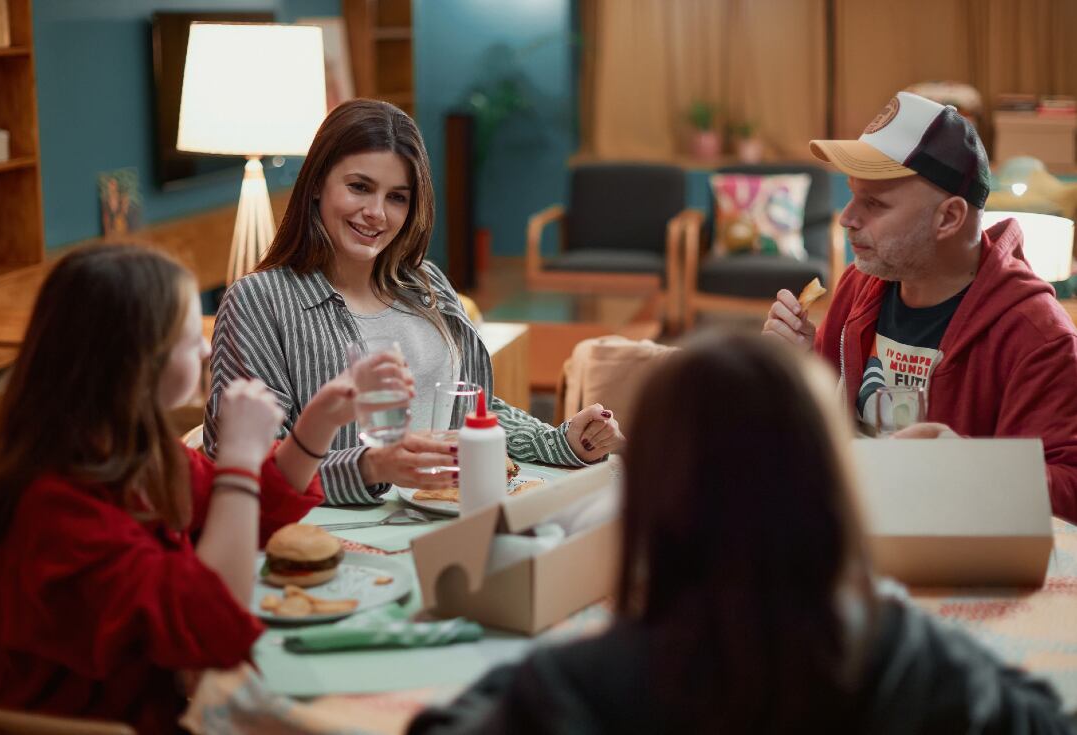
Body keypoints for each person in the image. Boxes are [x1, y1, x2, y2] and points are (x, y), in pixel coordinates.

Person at [407, 332, 1075, 734]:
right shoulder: (909, 658)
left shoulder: (583, 682)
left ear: (649, 500)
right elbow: (1046, 716)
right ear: (831, 488)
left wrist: (565, 657)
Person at [0, 245, 403, 733]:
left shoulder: (135, 453)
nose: (205, 349)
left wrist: (316, 424)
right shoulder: (55, 507)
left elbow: (246, 516)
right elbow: (211, 626)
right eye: (187, 337)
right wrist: (240, 458)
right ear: (137, 363)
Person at [206, 99, 624, 506]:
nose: (377, 213)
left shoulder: (428, 285)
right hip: (338, 540)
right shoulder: (259, 302)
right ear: (316, 183)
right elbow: (249, 468)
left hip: (448, 518)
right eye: (359, 187)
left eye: (397, 197)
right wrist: (372, 467)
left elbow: (468, 412)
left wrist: (562, 441)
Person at [763, 90, 1077, 522]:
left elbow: (1069, 490)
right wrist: (798, 367)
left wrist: (968, 468)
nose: (846, 217)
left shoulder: (1036, 334)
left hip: (949, 561)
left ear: (948, 218)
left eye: (874, 203)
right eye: (853, 195)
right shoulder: (862, 284)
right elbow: (823, 430)